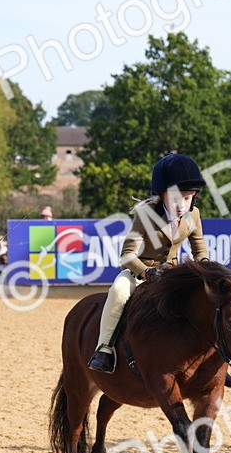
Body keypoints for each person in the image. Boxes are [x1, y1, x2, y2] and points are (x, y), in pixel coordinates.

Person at [88, 154, 209, 373]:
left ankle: (213, 359)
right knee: (118, 291)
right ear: (162, 195)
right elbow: (127, 255)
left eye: (187, 198)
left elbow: (199, 249)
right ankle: (104, 349)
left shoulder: (194, 215)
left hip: (173, 274)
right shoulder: (145, 215)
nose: (181, 205)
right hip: (139, 273)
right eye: (175, 199)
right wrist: (147, 272)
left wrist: (207, 271)